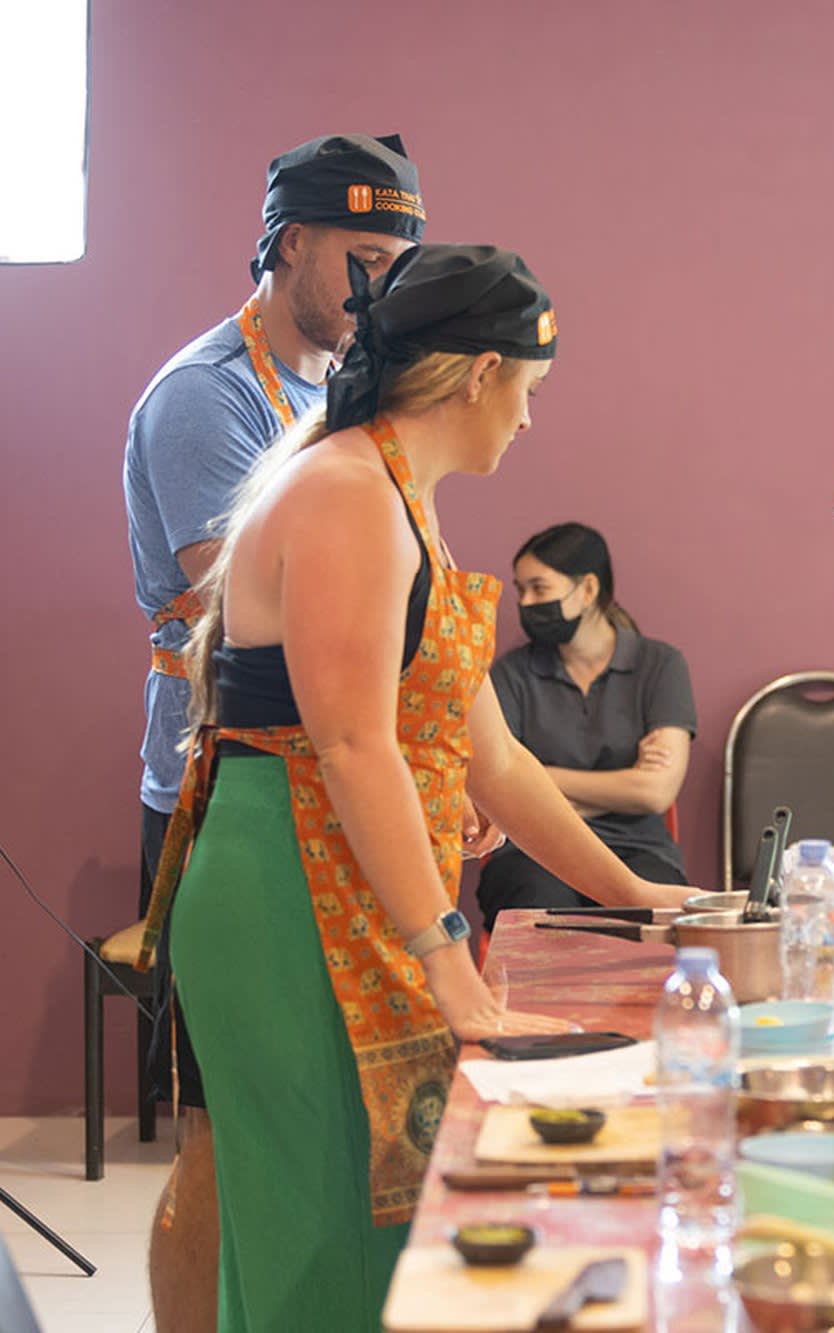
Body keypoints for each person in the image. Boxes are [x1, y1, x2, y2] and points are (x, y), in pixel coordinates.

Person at [134, 245, 693, 1331]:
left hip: (347, 883)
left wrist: (642, 897)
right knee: (321, 1234)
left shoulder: (397, 495)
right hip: (286, 889)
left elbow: (497, 761)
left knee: (376, 1222)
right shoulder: (346, 493)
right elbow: (352, 748)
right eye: (528, 390)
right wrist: (445, 953)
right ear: (479, 373)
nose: (526, 419)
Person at [120, 131, 425, 1333]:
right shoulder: (208, 396)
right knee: (221, 1131)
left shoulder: (334, 388)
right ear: (290, 241)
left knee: (319, 1120)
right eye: (362, 260)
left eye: (397, 268)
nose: (377, 291)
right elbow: (255, 619)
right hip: (225, 800)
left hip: (327, 786)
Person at [480, 522, 697, 931]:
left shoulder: (660, 665)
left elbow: (654, 792)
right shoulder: (511, 674)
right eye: (520, 590)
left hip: (638, 848)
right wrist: (620, 787)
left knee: (648, 926)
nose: (525, 602)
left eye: (539, 588)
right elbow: (495, 788)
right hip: (533, 850)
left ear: (588, 590)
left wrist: (534, 781)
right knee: (541, 908)